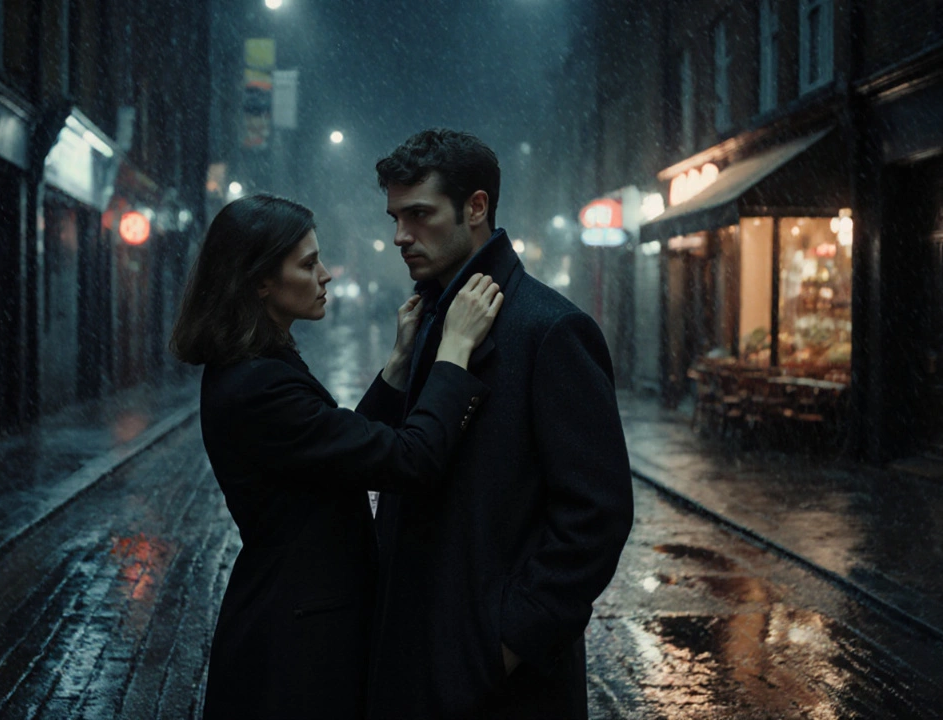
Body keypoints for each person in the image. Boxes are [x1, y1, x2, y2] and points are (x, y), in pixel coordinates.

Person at [168, 193, 502, 720]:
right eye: (307, 264)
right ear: (259, 281)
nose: (325, 275)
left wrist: (396, 367)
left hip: (294, 621)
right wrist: (453, 352)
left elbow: (334, 451)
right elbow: (410, 459)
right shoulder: (257, 384)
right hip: (298, 642)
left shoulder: (255, 367)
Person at [360, 129, 634, 719]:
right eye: (394, 217)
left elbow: (596, 516)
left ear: (476, 207)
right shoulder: (434, 318)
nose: (400, 237)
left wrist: (503, 644)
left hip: (497, 686)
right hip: (418, 657)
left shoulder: (549, 329)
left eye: (419, 215)